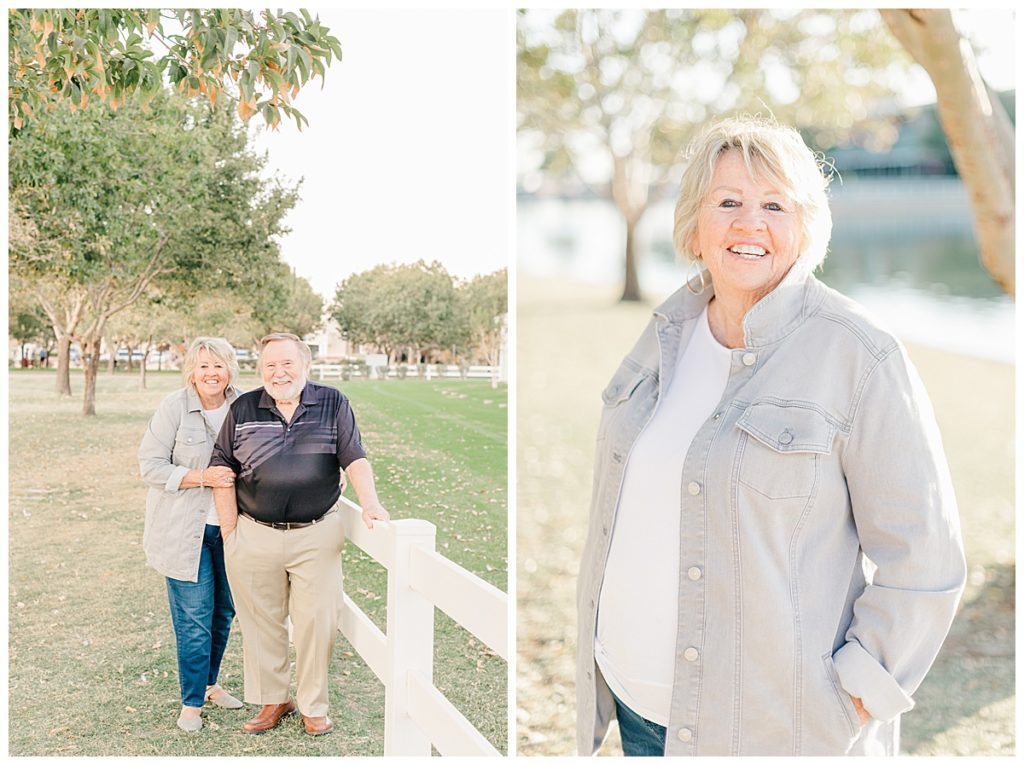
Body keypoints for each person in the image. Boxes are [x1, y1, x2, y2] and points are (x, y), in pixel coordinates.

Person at [576, 116, 966, 756]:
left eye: (774, 205)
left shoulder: (860, 355)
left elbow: (924, 554)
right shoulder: (666, 331)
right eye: (727, 202)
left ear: (806, 226)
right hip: (635, 708)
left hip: (769, 729)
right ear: (696, 224)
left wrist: (857, 693)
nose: (749, 224)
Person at [210, 332, 390, 736]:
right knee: (261, 623)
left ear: (306, 365)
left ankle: (313, 705)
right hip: (254, 533)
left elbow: (354, 456)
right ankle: (274, 700)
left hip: (316, 533)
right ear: (261, 371)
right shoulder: (243, 407)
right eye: (270, 365)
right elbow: (221, 467)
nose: (279, 372)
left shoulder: (332, 402)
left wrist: (372, 502)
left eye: (287, 363)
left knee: (317, 621)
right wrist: (230, 533)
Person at [138, 337, 245, 732]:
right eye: (203, 366)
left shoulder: (246, 406)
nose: (211, 373)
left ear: (230, 368)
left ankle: (212, 683)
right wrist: (201, 477)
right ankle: (191, 704)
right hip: (186, 532)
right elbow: (149, 466)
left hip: (235, 530)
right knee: (194, 617)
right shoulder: (174, 408)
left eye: (218, 365)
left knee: (224, 613)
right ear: (192, 371)